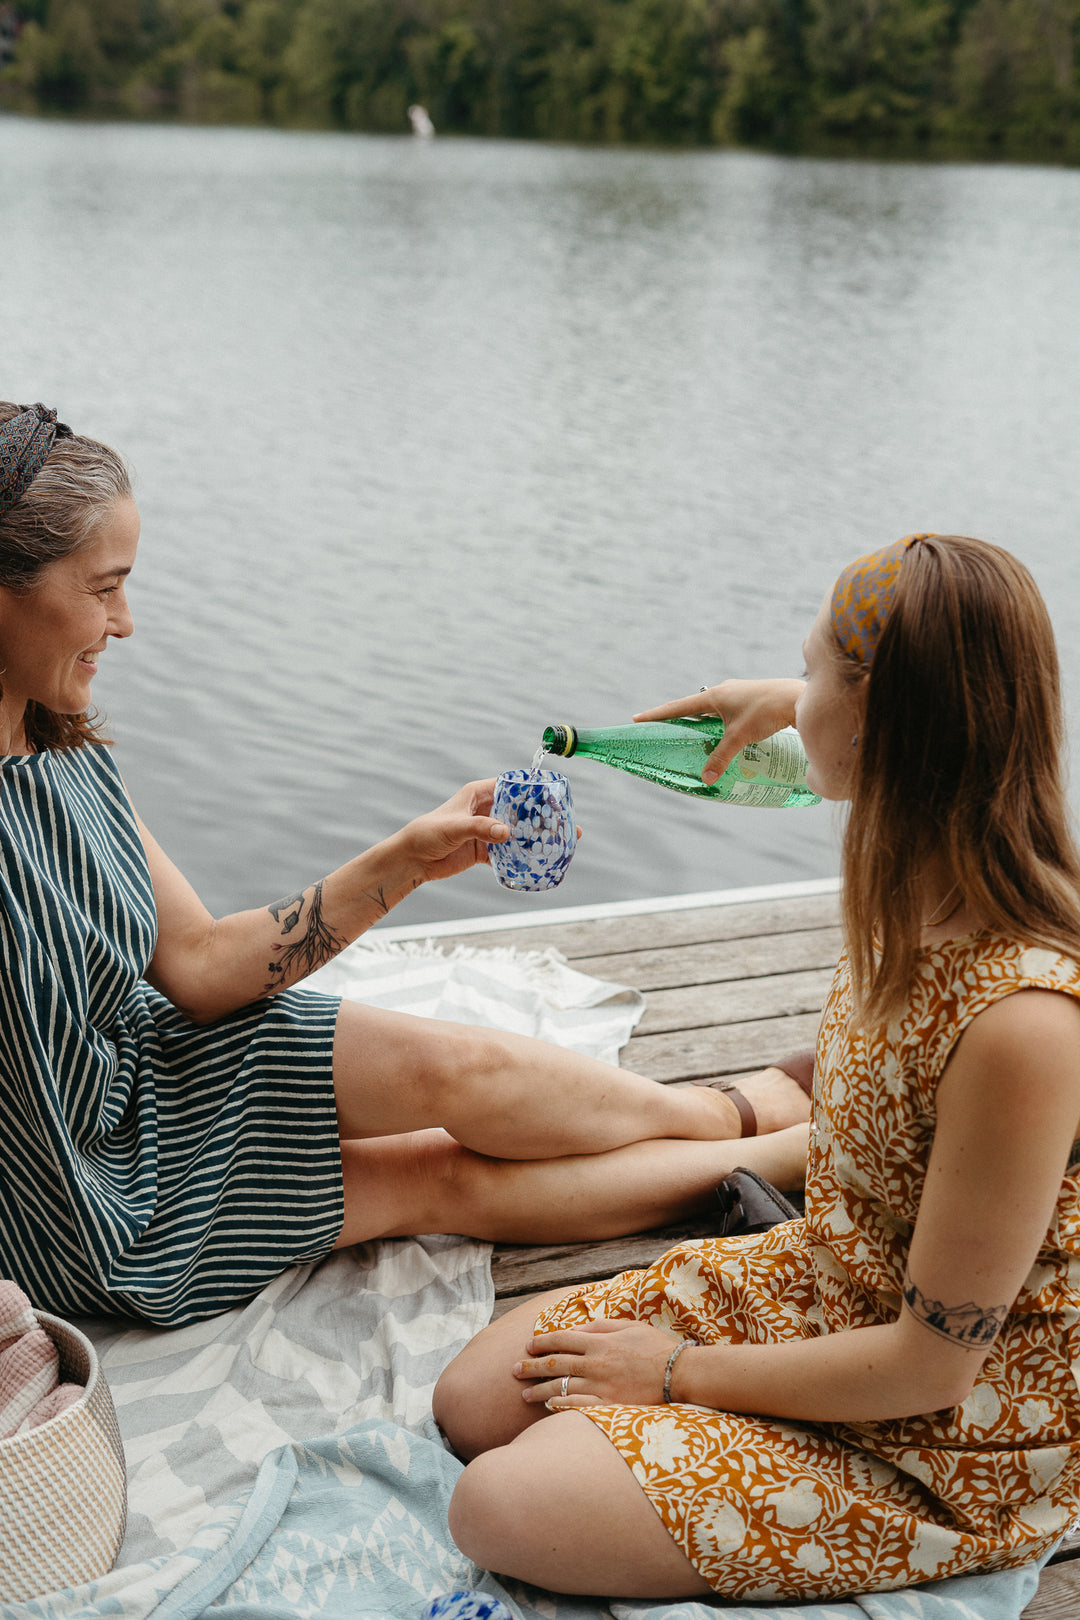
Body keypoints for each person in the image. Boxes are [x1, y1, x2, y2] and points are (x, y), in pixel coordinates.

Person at [0, 402, 812, 1329]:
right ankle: (792, 1151)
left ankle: (720, 1115)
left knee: (460, 1070)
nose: (127, 622)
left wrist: (410, 860)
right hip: (76, 1195)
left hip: (147, 1064)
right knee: (439, 1173)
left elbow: (199, 966)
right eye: (103, 589)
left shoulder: (53, 743)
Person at [435, 531, 1080, 1603]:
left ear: (879, 715)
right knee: (474, 1401)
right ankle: (693, 1430)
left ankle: (718, 1437)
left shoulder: (1024, 1023)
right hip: (830, 1285)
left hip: (946, 1435)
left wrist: (677, 1377)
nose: (798, 684)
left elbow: (934, 1365)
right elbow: (877, 712)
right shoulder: (927, 854)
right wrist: (788, 699)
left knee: (497, 1505)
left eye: (815, 661)